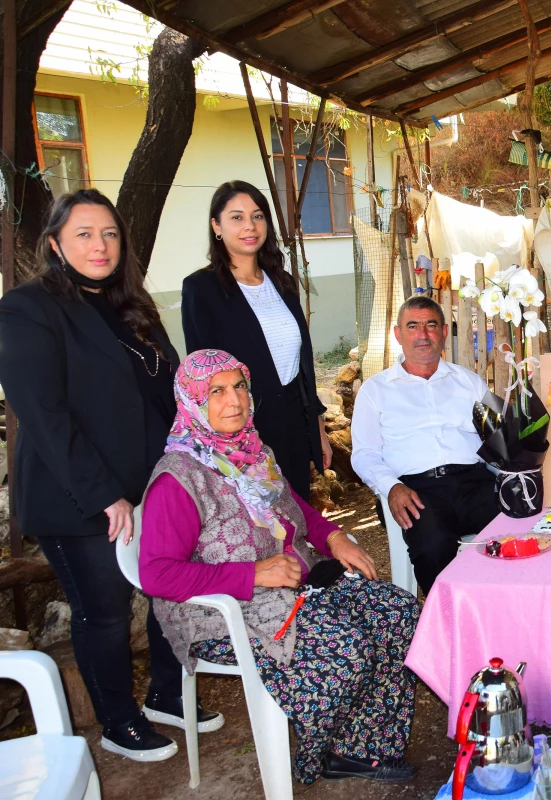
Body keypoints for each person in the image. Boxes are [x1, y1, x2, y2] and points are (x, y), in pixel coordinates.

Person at [0, 189, 222, 761]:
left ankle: (168, 695)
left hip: (152, 485)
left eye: (109, 234)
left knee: (171, 587)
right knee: (104, 609)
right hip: (76, 495)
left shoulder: (132, 304)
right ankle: (118, 722)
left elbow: (167, 395)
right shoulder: (28, 308)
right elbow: (44, 416)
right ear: (54, 243)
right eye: (83, 234)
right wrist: (106, 497)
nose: (99, 245)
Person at [139, 349, 420, 785]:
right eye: (216, 392)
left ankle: (360, 744)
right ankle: (320, 753)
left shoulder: (252, 450)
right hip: (224, 613)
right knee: (346, 649)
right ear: (193, 400)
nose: (234, 401)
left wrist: (333, 536)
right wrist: (251, 574)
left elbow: (296, 509)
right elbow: (157, 575)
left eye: (239, 387)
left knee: (399, 614)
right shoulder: (178, 479)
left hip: (292, 587)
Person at [182, 180, 329, 500]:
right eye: (236, 217)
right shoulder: (201, 289)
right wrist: (227, 444)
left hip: (292, 424)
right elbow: (204, 377)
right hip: (243, 430)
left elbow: (300, 365)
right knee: (261, 530)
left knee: (298, 518)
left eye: (258, 215)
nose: (249, 226)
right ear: (216, 226)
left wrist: (316, 426)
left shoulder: (283, 282)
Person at [351, 296, 498, 593]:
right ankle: (445, 623)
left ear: (444, 332)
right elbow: (364, 454)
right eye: (413, 326)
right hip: (415, 489)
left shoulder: (469, 381)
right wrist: (390, 487)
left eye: (431, 325)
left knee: (518, 530)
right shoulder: (375, 390)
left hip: (474, 482)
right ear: (398, 334)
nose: (423, 334)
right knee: (432, 545)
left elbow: (499, 436)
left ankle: (504, 610)